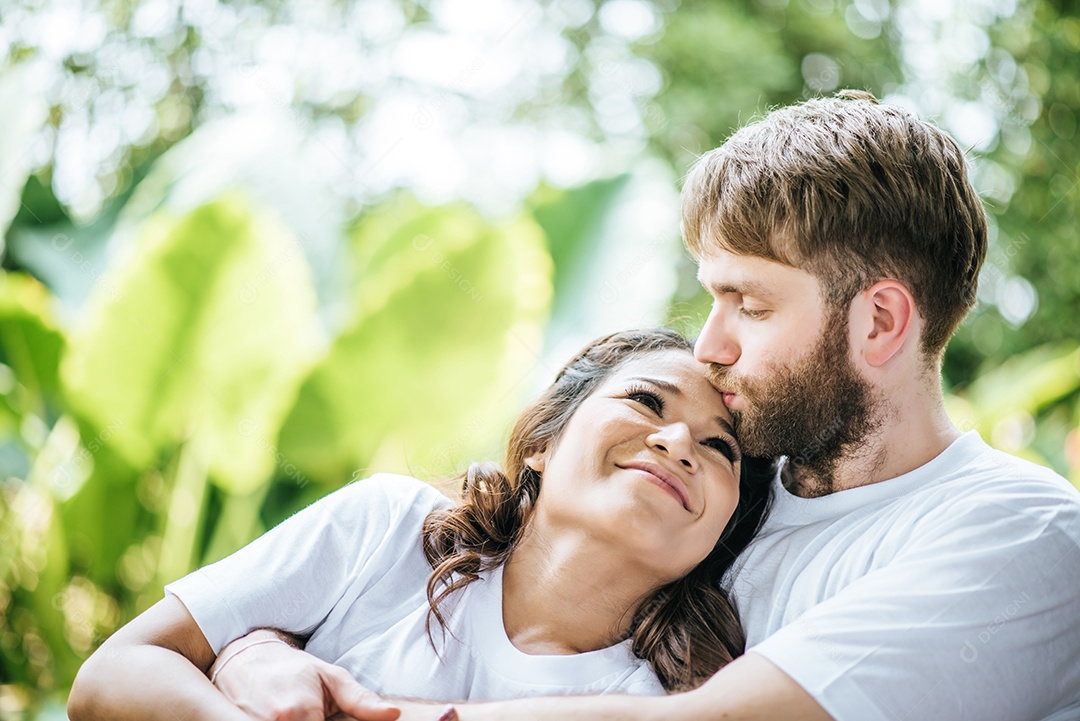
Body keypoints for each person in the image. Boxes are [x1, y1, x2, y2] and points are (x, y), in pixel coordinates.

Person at [189, 90, 1080, 721]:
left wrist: (333, 698)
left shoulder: (1021, 536)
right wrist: (250, 649)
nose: (710, 346)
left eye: (752, 305)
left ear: (880, 320)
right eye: (712, 299)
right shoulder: (722, 499)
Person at [68, 328, 773, 721]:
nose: (680, 442)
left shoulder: (666, 702)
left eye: (720, 447)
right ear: (542, 441)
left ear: (718, 531)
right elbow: (109, 678)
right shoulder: (388, 527)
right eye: (647, 401)